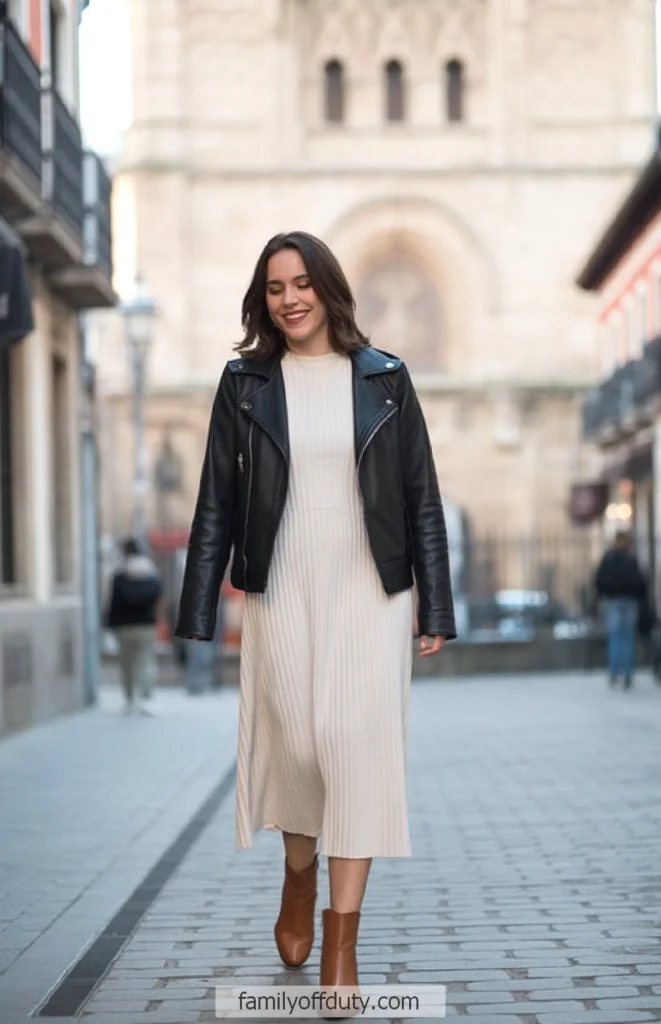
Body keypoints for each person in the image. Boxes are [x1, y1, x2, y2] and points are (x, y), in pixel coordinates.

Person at [175, 231, 456, 999]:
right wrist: (198, 606)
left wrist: (435, 601)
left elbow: (419, 498)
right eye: (274, 287)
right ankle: (298, 874)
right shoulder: (244, 384)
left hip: (371, 584)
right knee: (296, 742)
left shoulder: (387, 379)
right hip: (283, 578)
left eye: (301, 283)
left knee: (351, 746)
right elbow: (215, 506)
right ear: (261, 299)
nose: (289, 298)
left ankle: (342, 941)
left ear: (329, 289)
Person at [106, 537, 162, 714]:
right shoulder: (151, 572)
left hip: (124, 626)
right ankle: (146, 697)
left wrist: (110, 625)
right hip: (146, 625)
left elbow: (113, 602)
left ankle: (130, 699)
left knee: (127, 664)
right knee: (146, 661)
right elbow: (158, 597)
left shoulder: (120, 575)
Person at [593, 530, 647, 689]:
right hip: (628, 600)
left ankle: (615, 672)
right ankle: (626, 674)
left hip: (615, 601)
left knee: (616, 637)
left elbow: (599, 580)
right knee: (626, 638)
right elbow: (640, 582)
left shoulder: (610, 559)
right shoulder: (630, 559)